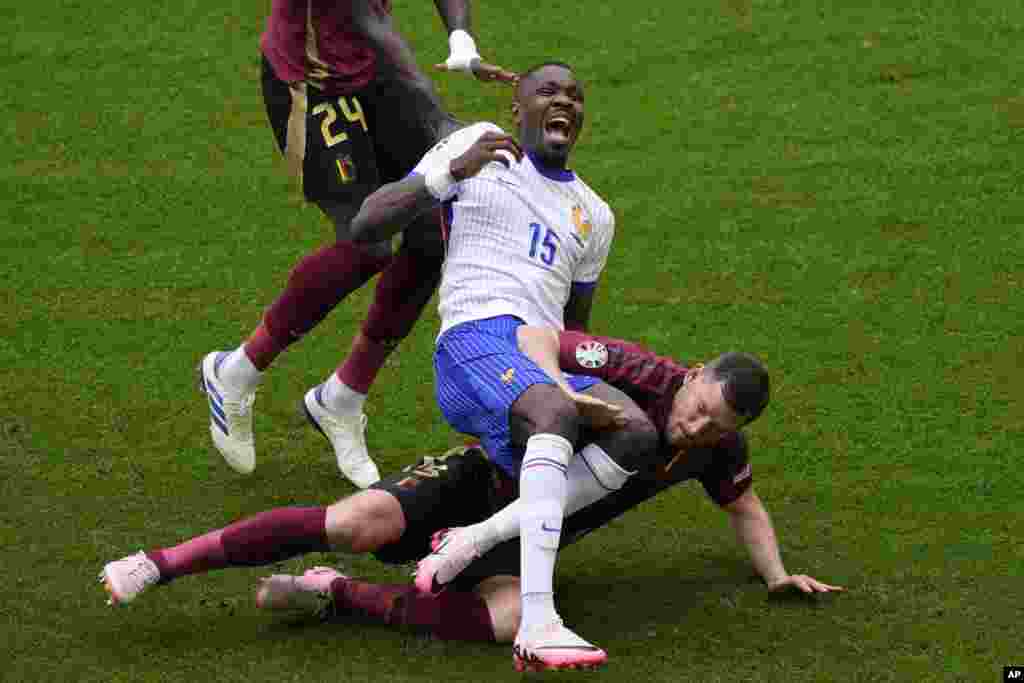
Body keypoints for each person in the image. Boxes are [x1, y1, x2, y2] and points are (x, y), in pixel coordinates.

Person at [100, 330, 842, 670]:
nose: (697, 424)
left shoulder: (715, 449)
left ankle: (337, 595)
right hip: (479, 478)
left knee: (513, 618)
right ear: (697, 371)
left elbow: (744, 506)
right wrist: (562, 393)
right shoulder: (637, 371)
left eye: (717, 424)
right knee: (356, 521)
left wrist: (776, 575)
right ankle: (161, 563)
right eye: (700, 404)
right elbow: (537, 334)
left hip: (527, 538)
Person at [348, 60, 650, 668]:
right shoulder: (474, 148)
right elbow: (366, 225)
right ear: (518, 108)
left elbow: (573, 327)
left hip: (537, 355)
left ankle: (473, 542)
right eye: (547, 91)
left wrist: (574, 379)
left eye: (574, 95)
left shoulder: (595, 214)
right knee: (555, 413)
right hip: (473, 339)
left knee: (638, 432)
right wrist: (450, 173)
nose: (563, 100)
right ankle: (537, 621)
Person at [199, 0, 516, 486]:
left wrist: (461, 39)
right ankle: (237, 370)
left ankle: (342, 398)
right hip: (310, 83)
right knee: (365, 242)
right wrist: (438, 120)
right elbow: (373, 21)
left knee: (431, 235)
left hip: (370, 71)